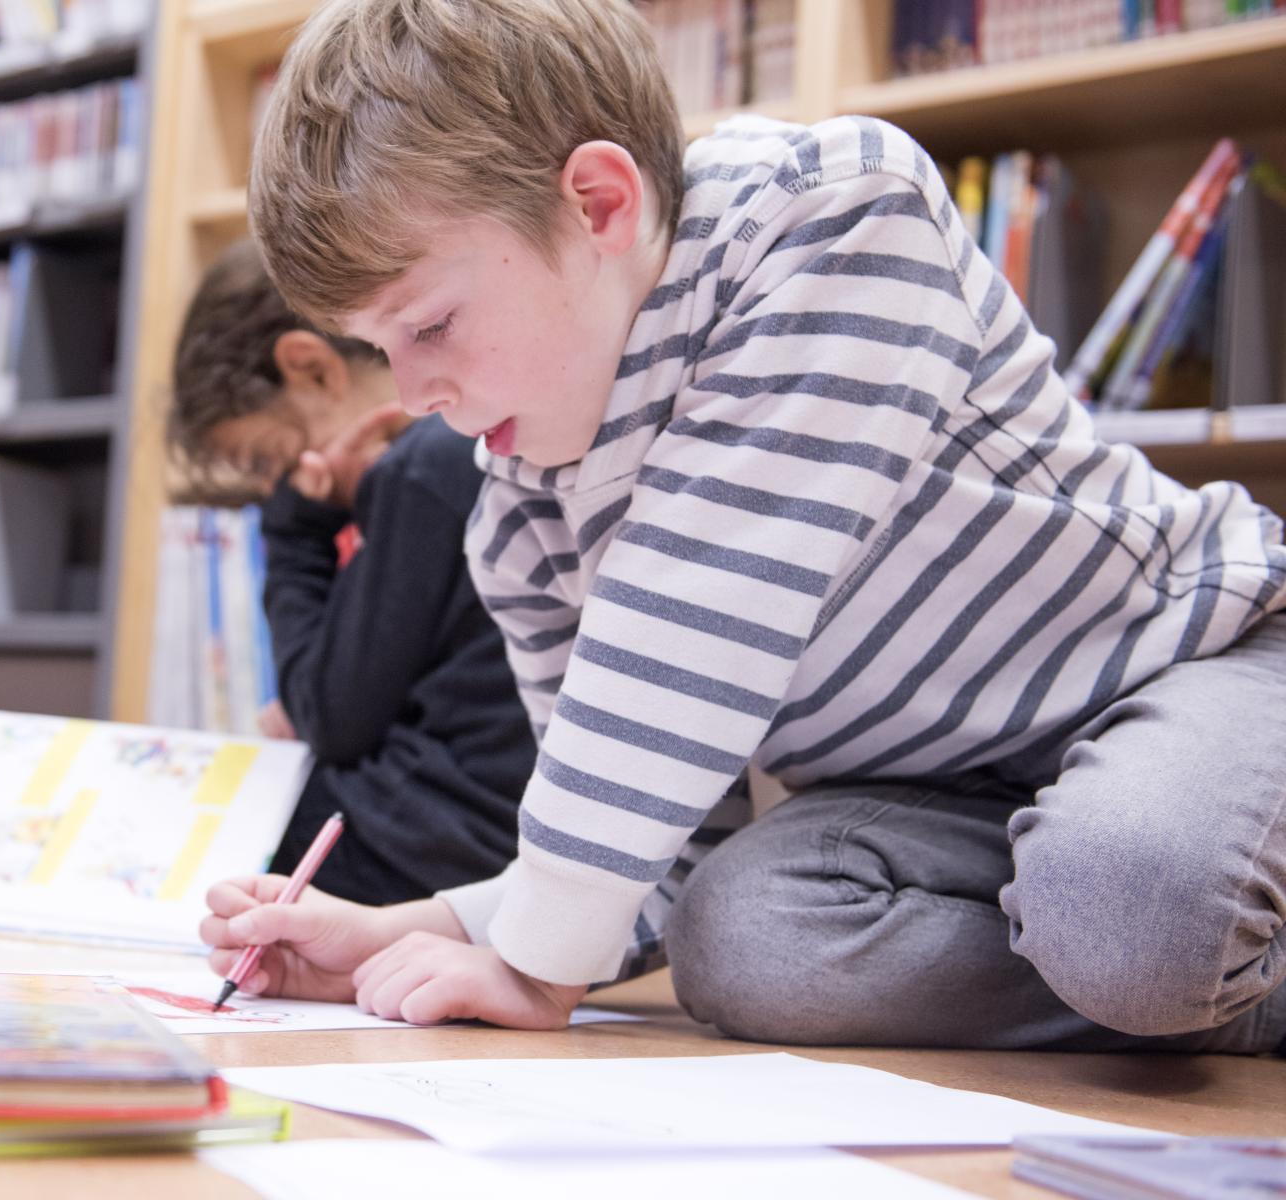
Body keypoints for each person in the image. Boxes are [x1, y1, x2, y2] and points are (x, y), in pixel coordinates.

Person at [202, 0, 1286, 1054]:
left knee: (1128, 893)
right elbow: (656, 854)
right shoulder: (522, 525)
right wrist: (418, 932)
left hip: (1193, 665)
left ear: (596, 204)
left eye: (430, 323)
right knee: (731, 938)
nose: (412, 392)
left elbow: (696, 604)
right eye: (380, 346)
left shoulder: (835, 214)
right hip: (942, 817)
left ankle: (1172, 951)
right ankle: (1174, 966)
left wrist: (535, 961)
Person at [169, 238, 535, 904]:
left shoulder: (421, 470)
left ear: (310, 368)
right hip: (485, 833)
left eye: (267, 460)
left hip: (442, 844)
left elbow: (333, 719)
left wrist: (293, 528)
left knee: (206, 823)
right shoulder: (476, 444)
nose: (284, 485)